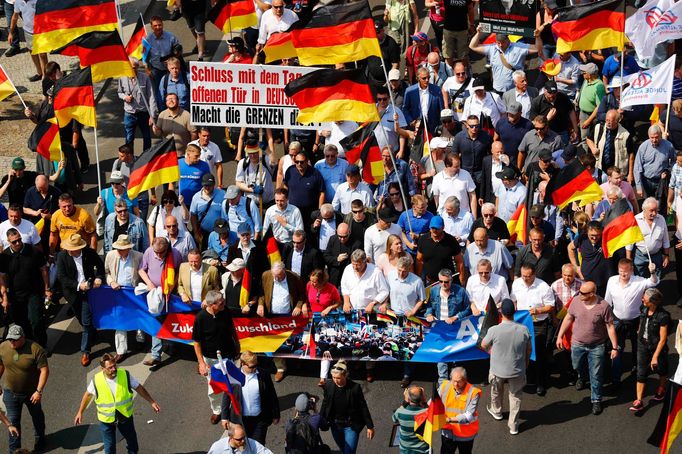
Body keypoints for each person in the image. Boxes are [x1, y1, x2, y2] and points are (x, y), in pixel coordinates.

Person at [74, 353, 161, 454]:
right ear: (102, 369)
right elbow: (88, 395)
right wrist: (80, 412)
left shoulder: (125, 375)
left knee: (133, 444)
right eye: (110, 368)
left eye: (114, 365)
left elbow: (139, 387)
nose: (114, 369)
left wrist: (152, 402)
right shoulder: (96, 380)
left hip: (125, 416)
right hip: (106, 420)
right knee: (109, 448)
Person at [556, 280, 619, 415]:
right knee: (576, 365)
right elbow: (568, 318)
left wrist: (615, 347)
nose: (580, 295)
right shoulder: (576, 301)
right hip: (577, 343)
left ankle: (596, 400)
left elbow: (610, 326)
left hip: (597, 346)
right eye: (579, 292)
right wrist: (560, 336)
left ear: (592, 294)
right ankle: (582, 376)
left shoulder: (604, 306)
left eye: (583, 293)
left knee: (596, 373)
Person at [604, 259, 658, 389]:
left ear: (631, 270)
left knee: (637, 347)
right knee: (616, 349)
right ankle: (615, 379)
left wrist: (653, 272)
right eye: (621, 271)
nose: (623, 275)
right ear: (618, 270)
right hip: (617, 321)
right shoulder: (611, 281)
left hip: (636, 321)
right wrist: (605, 320)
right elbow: (607, 301)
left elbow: (654, 282)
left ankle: (636, 368)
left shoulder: (639, 281)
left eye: (626, 272)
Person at [481, 299, 531, 435]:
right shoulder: (524, 330)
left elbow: (484, 345)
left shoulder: (494, 330)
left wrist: (491, 351)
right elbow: (528, 350)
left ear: (501, 312)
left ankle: (496, 411)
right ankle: (513, 425)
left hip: (498, 370)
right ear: (514, 312)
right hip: (517, 370)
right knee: (515, 397)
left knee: (496, 391)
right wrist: (525, 365)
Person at [55, 234, 104, 367]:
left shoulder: (89, 253)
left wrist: (98, 277)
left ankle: (85, 351)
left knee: (86, 321)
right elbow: (62, 277)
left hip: (88, 292)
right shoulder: (61, 257)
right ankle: (92, 333)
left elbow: (100, 265)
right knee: (81, 319)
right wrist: (78, 285)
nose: (70, 251)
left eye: (72, 248)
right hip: (72, 293)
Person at [193, 291, 240, 424]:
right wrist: (201, 363)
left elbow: (232, 329)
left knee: (232, 382)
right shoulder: (200, 318)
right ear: (212, 305)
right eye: (221, 303)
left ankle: (234, 406)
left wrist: (237, 344)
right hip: (211, 359)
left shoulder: (225, 312)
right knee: (213, 386)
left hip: (228, 355)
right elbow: (196, 343)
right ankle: (217, 410)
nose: (224, 304)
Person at [0, 325, 48, 453]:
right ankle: (14, 450)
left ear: (23, 337)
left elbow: (44, 370)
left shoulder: (35, 349)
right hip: (11, 392)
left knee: (37, 416)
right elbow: (0, 364)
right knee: (13, 422)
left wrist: (39, 391)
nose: (12, 342)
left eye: (15, 339)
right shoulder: (3, 347)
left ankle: (40, 440)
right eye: (10, 339)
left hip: (32, 393)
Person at [0, 228, 50, 346]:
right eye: (14, 242)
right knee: (22, 323)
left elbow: (44, 270)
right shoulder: (4, 257)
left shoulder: (34, 251)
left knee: (36, 321)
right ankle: (30, 345)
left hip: (34, 293)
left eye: (19, 240)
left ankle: (42, 345)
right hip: (16, 296)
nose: (18, 243)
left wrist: (47, 289)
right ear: (8, 241)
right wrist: (5, 298)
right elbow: (2, 278)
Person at [138, 237, 183, 368]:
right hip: (154, 294)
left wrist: (170, 288)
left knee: (171, 321)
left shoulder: (175, 254)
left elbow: (179, 271)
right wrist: (149, 283)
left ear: (167, 249)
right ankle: (156, 355)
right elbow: (141, 270)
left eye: (161, 253)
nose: (158, 255)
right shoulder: (148, 252)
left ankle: (172, 345)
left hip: (170, 294)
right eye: (155, 252)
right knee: (155, 321)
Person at [258, 261, 306, 381]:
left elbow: (302, 294)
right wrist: (260, 305)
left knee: (293, 340)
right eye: (274, 275)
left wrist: (299, 306)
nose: (276, 278)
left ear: (284, 271)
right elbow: (261, 294)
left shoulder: (294, 277)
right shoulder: (266, 275)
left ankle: (296, 362)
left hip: (289, 316)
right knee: (276, 342)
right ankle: (280, 368)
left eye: (279, 275)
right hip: (272, 316)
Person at [220, 351, 280, 445]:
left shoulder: (263, 375)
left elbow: (272, 395)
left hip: (259, 420)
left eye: (256, 365)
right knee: (240, 445)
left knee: (258, 446)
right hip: (239, 421)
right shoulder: (233, 376)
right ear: (242, 364)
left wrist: (276, 414)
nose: (254, 368)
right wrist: (224, 417)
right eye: (251, 367)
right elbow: (226, 397)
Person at [320, 360, 374, 454]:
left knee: (349, 452)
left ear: (345, 375)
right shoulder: (328, 385)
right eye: (333, 377)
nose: (336, 380)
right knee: (343, 449)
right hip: (335, 425)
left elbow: (362, 406)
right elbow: (325, 403)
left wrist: (370, 426)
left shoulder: (355, 388)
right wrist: (320, 419)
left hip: (350, 426)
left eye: (338, 378)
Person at [104, 235, 143, 363]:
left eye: (122, 249)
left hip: (134, 293)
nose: (119, 251)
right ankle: (121, 351)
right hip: (118, 292)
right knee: (119, 321)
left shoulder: (138, 256)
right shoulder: (111, 255)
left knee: (138, 316)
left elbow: (143, 274)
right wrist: (111, 282)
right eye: (118, 248)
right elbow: (106, 272)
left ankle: (140, 338)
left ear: (128, 248)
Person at [630, 288, 670, 411]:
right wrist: (639, 332)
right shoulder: (643, 309)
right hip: (643, 345)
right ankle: (639, 400)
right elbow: (641, 322)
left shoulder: (663, 316)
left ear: (652, 302)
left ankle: (662, 388)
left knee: (661, 369)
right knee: (641, 372)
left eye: (645, 298)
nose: (642, 299)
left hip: (656, 347)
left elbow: (662, 339)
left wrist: (655, 356)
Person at [469, 26, 542, 93]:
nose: (500, 45)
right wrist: (478, 33)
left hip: (515, 91)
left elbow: (537, 48)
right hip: (497, 90)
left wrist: (537, 37)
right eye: (498, 43)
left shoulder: (518, 47)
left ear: (508, 40)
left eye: (503, 42)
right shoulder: (492, 48)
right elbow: (472, 46)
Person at [117, 58, 158, 151]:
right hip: (129, 114)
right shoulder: (122, 78)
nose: (133, 70)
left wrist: (152, 115)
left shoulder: (145, 78)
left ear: (138, 67)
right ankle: (129, 158)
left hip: (143, 113)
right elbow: (119, 92)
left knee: (147, 137)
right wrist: (124, 97)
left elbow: (151, 97)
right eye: (131, 68)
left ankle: (146, 158)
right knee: (129, 138)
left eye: (135, 68)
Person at [438, 367, 481, 453]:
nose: (455, 384)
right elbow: (433, 403)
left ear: (465, 380)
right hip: (447, 432)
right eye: (453, 380)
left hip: (465, 434)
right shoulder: (445, 386)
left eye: (459, 381)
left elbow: (468, 416)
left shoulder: (473, 392)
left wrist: (448, 420)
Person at [626, 198, 670, 279]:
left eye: (656, 210)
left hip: (657, 256)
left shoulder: (661, 219)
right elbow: (629, 242)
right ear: (644, 209)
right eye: (651, 210)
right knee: (639, 279)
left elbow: (666, 239)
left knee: (656, 279)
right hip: (639, 256)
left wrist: (666, 255)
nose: (654, 213)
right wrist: (628, 259)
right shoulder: (635, 220)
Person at [416, 215, 465, 285]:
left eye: (437, 228)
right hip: (430, 282)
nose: (434, 230)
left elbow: (459, 261)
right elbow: (419, 260)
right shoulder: (423, 240)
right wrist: (418, 278)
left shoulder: (451, 241)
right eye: (433, 228)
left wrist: (461, 279)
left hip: (448, 282)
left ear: (443, 227)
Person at [190, 173, 226, 249]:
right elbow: (193, 215)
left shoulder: (222, 195)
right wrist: (196, 232)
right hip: (203, 233)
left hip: (219, 232)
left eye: (209, 185)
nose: (207, 188)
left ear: (214, 184)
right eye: (205, 185)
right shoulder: (196, 197)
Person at [392, 385, 428, 454]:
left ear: (408, 399)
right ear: (422, 398)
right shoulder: (427, 412)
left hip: (405, 450)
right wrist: (424, 399)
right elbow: (430, 410)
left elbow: (394, 419)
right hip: (423, 450)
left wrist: (405, 401)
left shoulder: (400, 412)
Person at [208, 423, 273, 454]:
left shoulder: (251, 443)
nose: (243, 441)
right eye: (239, 439)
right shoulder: (218, 447)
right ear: (231, 437)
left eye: (244, 437)